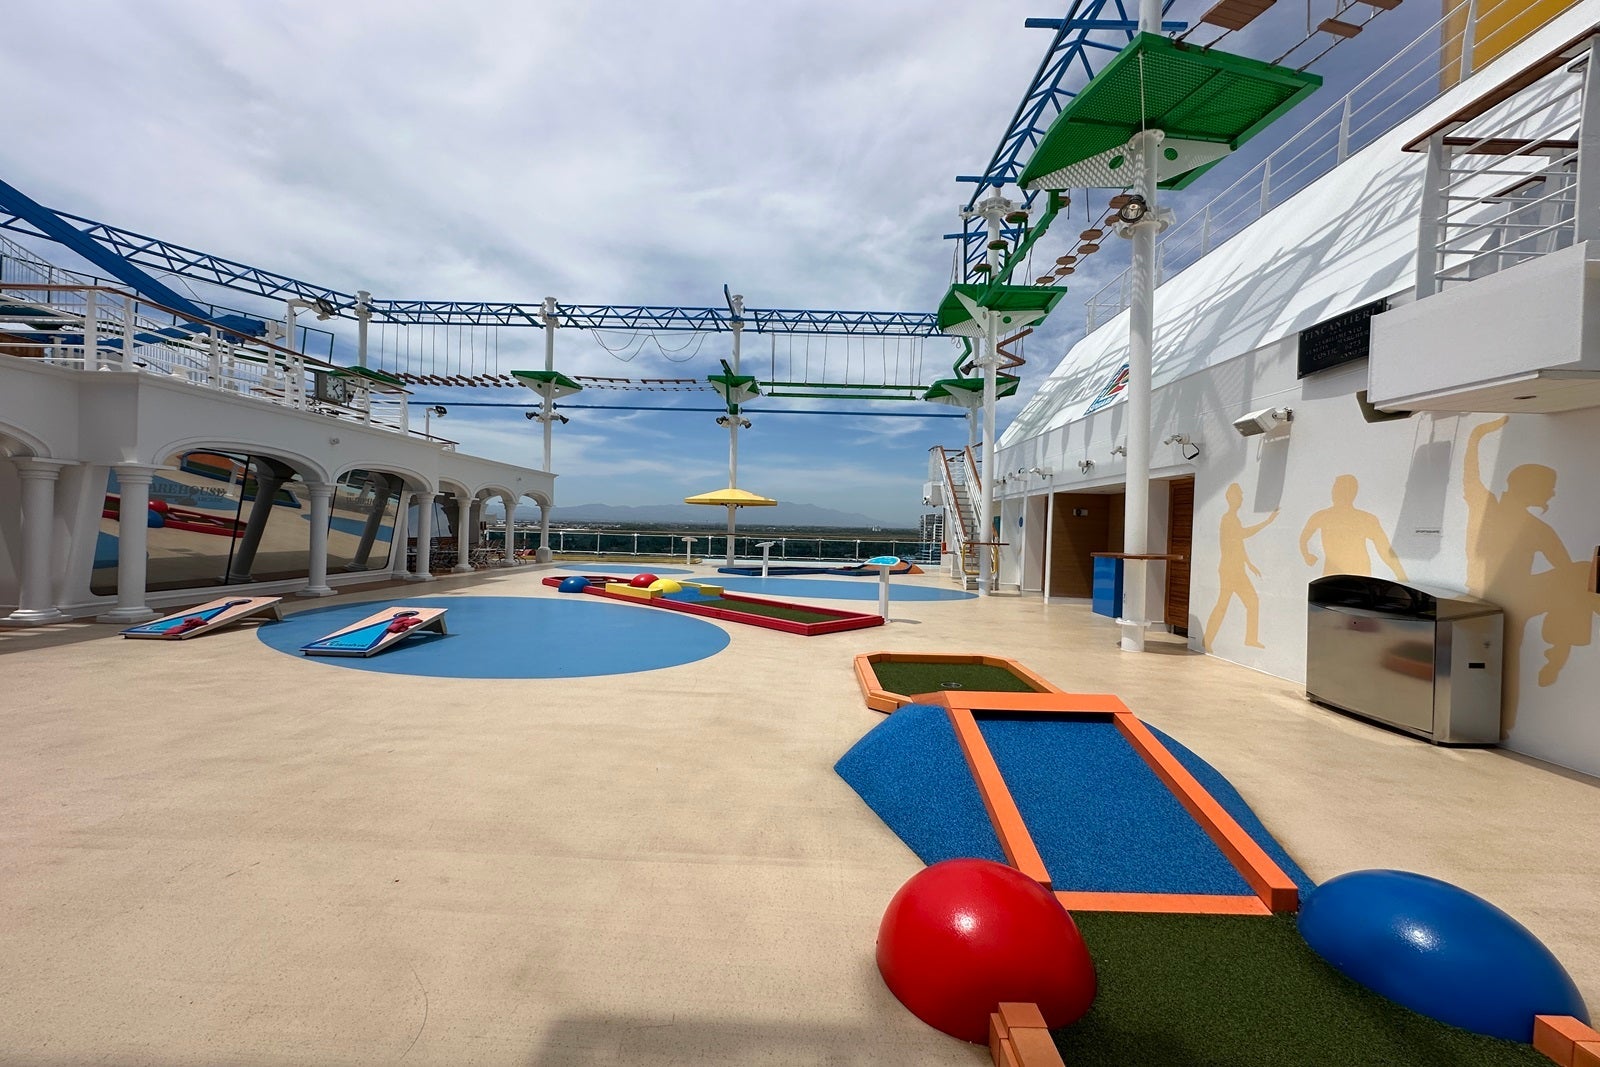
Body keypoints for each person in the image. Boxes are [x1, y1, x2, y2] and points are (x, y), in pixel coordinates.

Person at [1204, 483, 1278, 651]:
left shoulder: (1233, 519)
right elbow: (1242, 535)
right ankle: (1207, 640)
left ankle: (1250, 638)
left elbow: (1238, 544)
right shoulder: (1228, 518)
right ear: (1231, 498)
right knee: (1222, 605)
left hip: (1237, 569)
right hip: (1229, 570)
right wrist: (1267, 521)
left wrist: (1249, 564)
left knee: (1252, 602)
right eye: (1240, 495)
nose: (1242, 498)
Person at [1299, 474, 1408, 580]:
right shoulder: (1322, 516)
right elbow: (1304, 539)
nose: (1336, 492)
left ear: (1352, 493)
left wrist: (1401, 575)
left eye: (1342, 489)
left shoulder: (1365, 519)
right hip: (1333, 574)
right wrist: (1306, 555)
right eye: (1336, 488)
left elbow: (1384, 550)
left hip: (1358, 575)